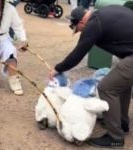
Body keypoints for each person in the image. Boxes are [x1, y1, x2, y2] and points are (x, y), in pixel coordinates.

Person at [49, 5, 133, 148]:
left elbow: (78, 54)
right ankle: (121, 123)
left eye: (78, 29)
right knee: (121, 84)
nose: (80, 32)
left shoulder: (94, 24)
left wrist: (58, 68)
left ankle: (115, 137)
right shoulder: (103, 13)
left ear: (81, 22)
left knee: (106, 88)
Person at [0, 0, 28, 95]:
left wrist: (23, 40)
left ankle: (14, 80)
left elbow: (18, 27)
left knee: (10, 51)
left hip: (3, 38)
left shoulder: (10, 9)